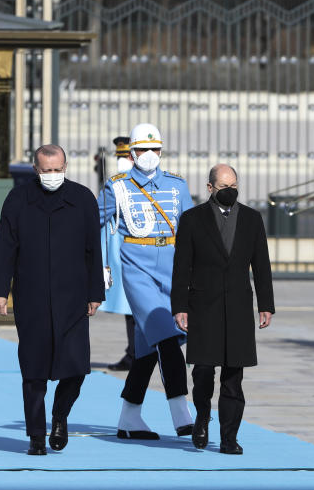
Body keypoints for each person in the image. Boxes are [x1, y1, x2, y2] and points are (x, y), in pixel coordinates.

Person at [0, 144, 105, 456]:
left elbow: (93, 249)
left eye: (58, 170)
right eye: (46, 170)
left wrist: (96, 293)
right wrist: (0, 290)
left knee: (76, 368)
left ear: (65, 167)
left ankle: (59, 417)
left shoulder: (82, 199)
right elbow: (5, 248)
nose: (52, 175)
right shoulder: (18, 199)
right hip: (32, 299)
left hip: (73, 299)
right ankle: (36, 436)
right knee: (34, 371)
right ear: (35, 169)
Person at [98, 123, 195, 440]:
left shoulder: (176, 186)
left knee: (146, 350)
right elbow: (90, 222)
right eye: (142, 150)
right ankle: (182, 414)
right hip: (137, 269)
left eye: (155, 149)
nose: (149, 156)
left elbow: (191, 229)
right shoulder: (118, 186)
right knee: (166, 338)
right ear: (132, 152)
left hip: (172, 267)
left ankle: (129, 417)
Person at [171, 164, 275, 454]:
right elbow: (181, 267)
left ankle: (229, 437)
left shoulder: (252, 219)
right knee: (203, 371)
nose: (230, 191)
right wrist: (179, 307)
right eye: (223, 187)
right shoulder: (192, 220)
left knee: (233, 377)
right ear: (209, 188)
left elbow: (261, 265)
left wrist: (266, 305)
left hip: (239, 307)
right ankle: (202, 417)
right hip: (203, 306)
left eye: (234, 185)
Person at [100, 136, 136, 372]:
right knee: (132, 309)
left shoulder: (123, 184)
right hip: (124, 253)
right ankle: (134, 352)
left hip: (134, 253)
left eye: (127, 156)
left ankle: (137, 353)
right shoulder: (117, 184)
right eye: (120, 157)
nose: (123, 161)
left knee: (137, 307)